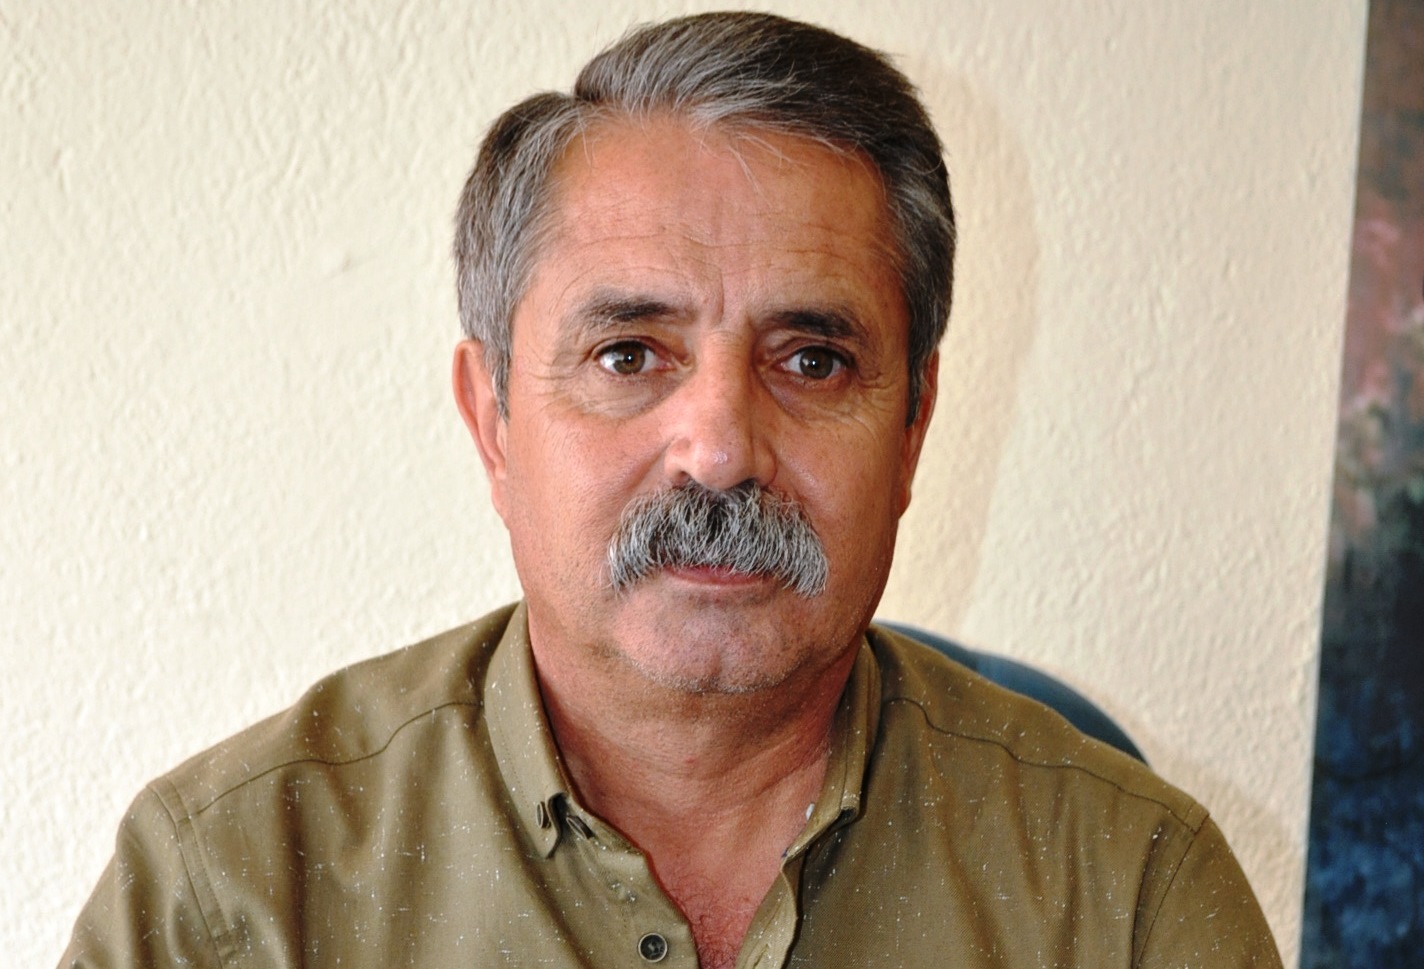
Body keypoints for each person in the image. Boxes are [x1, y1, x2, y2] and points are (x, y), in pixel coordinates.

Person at [61, 11, 1282, 968]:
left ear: (912, 427)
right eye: (627, 355)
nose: (719, 449)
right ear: (492, 419)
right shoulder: (236, 889)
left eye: (812, 361)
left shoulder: (1123, 887)